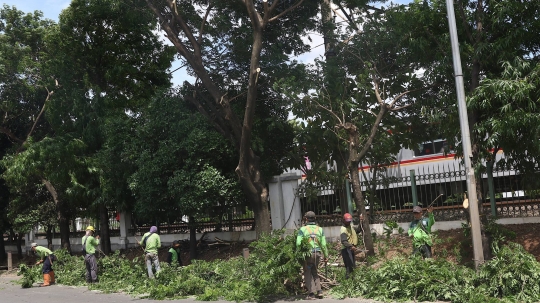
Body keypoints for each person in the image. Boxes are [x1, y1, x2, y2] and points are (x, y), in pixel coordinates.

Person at [296, 211, 328, 300]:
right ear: (315, 218)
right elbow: (324, 245)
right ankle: (319, 291)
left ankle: (311, 294)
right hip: (317, 254)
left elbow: (298, 243)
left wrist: (298, 253)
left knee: (307, 272)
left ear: (306, 219)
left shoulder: (303, 229)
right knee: (314, 271)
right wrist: (326, 256)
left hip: (308, 254)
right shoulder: (320, 229)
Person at [340, 212, 363, 279]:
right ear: (343, 220)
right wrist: (351, 246)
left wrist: (361, 221)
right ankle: (348, 280)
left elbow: (358, 230)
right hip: (346, 250)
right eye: (347, 221)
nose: (348, 223)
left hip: (351, 249)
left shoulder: (350, 227)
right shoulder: (343, 229)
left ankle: (352, 280)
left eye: (349, 221)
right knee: (349, 266)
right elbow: (344, 241)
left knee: (352, 265)